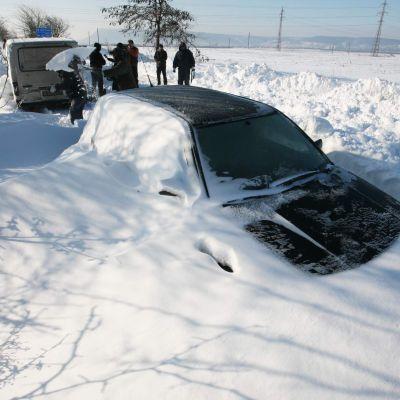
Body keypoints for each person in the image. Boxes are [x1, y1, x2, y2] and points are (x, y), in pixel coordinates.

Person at [56, 55, 87, 125]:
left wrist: (55, 87)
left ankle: (76, 129)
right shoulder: (71, 70)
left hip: (78, 95)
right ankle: (81, 127)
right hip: (80, 93)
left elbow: (66, 84)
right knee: (77, 113)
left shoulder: (66, 72)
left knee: (74, 113)